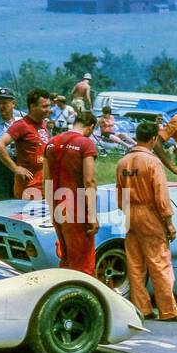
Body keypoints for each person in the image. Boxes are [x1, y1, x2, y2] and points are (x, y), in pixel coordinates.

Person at [117, 121, 177, 322]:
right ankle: (168, 311)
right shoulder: (152, 162)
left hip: (130, 213)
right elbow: (161, 196)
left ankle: (142, 308)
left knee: (135, 265)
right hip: (150, 214)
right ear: (153, 139)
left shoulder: (123, 162)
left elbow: (119, 194)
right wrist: (168, 222)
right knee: (160, 262)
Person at [43, 110, 100, 275]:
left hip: (56, 206)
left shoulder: (51, 142)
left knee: (66, 259)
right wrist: (92, 216)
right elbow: (89, 181)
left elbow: (46, 180)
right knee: (83, 265)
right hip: (77, 208)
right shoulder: (85, 144)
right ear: (90, 127)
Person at [0, 88, 52, 199]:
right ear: (32, 106)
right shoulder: (21, 125)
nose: (48, 110)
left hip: (45, 185)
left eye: (49, 106)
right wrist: (15, 168)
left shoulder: (43, 124)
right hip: (29, 187)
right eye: (44, 106)